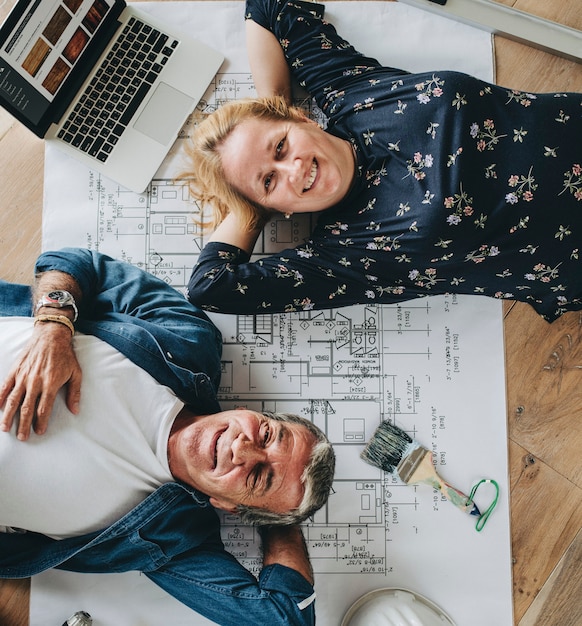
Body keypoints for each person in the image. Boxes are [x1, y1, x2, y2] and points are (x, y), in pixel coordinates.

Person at [185, 0, 582, 323]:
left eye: (281, 146)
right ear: (275, 209)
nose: (295, 169)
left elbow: (269, 5)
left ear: (301, 119)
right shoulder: (344, 255)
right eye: (269, 181)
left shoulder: (349, 91)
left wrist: (274, 104)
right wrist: (252, 205)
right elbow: (211, 287)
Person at [0, 247, 335, 626]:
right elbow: (78, 264)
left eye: (258, 476)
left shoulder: (174, 542)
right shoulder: (188, 339)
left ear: (228, 506)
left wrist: (283, 519)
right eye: (266, 433)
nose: (242, 448)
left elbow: (283, 620)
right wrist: (53, 326)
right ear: (251, 412)